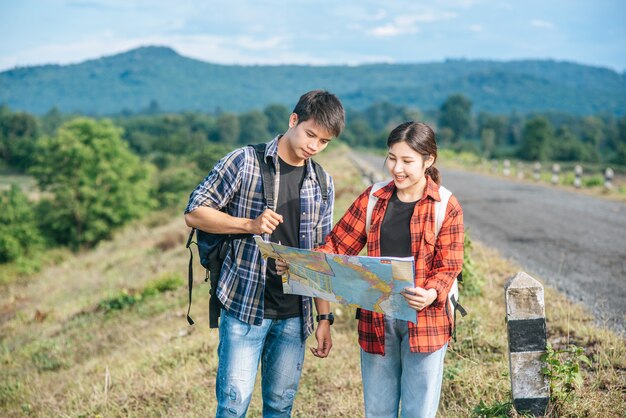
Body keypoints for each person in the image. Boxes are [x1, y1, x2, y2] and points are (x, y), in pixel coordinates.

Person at [278, 121, 464, 418]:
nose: (397, 168)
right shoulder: (373, 199)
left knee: (419, 411)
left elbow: (450, 264)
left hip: (427, 321)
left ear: (428, 161)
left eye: (407, 161)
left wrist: (431, 292)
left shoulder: (445, 204)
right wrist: (301, 264)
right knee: (378, 410)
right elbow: (337, 245)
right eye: (392, 158)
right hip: (377, 317)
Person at [184, 90, 345, 417]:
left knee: (280, 406)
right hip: (245, 306)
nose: (314, 146)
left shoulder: (323, 183)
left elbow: (319, 257)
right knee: (232, 405)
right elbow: (194, 212)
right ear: (293, 120)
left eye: (324, 142)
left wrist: (324, 318)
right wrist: (249, 225)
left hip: (295, 314)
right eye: (310, 134)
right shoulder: (244, 161)